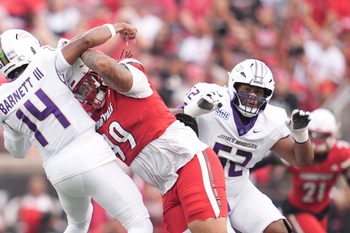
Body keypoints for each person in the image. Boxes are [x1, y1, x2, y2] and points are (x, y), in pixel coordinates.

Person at [0, 23, 153, 233]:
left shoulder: (2, 99)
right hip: (89, 152)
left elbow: (17, 151)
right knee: (139, 222)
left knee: (77, 224)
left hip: (58, 171)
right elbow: (85, 41)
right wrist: (117, 27)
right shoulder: (45, 61)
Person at [64, 47, 230, 232]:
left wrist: (80, 48)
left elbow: (104, 64)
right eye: (79, 90)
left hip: (188, 163)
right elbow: (155, 114)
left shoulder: (128, 75)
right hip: (166, 186)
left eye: (85, 84)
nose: (86, 93)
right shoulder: (91, 117)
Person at [173, 59, 314, 233]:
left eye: (258, 91)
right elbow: (163, 122)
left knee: (279, 230)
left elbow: (302, 160)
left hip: (238, 188)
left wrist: (301, 136)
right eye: (247, 89)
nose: (252, 96)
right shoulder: (211, 96)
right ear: (234, 86)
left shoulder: (272, 119)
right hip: (201, 187)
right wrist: (192, 111)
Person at [281, 108, 350, 233]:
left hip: (323, 211)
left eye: (323, 135)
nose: (318, 140)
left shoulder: (341, 153)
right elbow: (266, 160)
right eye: (313, 134)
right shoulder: (299, 151)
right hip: (298, 210)